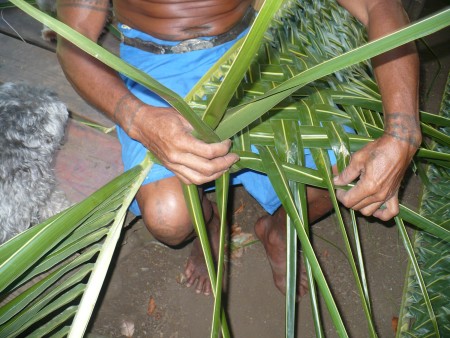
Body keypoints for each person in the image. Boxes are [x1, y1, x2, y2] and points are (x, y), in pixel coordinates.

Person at [56, 0, 420, 297]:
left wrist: (403, 132)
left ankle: (279, 228)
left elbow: (378, 5)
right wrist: (138, 118)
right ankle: (209, 221)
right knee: (169, 219)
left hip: (255, 47)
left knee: (345, 175)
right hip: (155, 64)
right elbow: (74, 41)